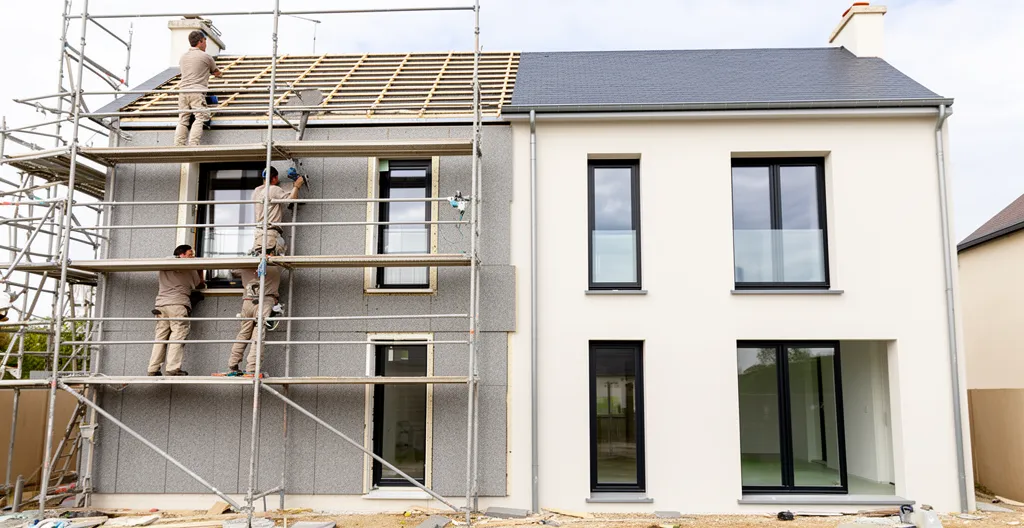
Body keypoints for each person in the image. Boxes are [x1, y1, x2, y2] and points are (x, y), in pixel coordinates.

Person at [148, 244, 205, 376]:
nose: (192, 257)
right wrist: (200, 268)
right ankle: (172, 368)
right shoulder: (189, 268)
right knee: (178, 335)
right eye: (190, 254)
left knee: (160, 337)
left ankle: (153, 368)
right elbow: (199, 284)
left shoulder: (164, 264)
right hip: (178, 304)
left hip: (161, 305)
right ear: (182, 254)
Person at [226, 264, 282, 375]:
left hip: (248, 301)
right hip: (265, 300)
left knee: (244, 333)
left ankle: (233, 363)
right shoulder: (274, 267)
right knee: (258, 334)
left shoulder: (245, 266)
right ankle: (252, 368)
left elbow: (232, 271)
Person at [174, 30, 222, 147]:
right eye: (205, 41)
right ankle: (193, 144)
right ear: (200, 41)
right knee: (201, 116)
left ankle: (178, 145)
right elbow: (217, 73)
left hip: (183, 92)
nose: (206, 44)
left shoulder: (183, 57)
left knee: (183, 120)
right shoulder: (206, 57)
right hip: (196, 91)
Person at [252, 167, 304, 256]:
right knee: (271, 260)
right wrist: (297, 186)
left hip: (259, 234)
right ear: (274, 178)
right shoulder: (274, 189)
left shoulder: (257, 191)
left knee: (263, 259)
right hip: (270, 234)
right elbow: (290, 200)